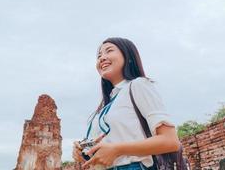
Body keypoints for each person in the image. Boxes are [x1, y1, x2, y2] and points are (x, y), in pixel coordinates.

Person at [72, 37, 181, 170]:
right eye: (99, 55)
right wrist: (84, 151)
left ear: (128, 56)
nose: (102, 58)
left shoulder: (138, 85)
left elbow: (170, 141)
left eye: (109, 51)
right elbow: (106, 152)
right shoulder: (105, 107)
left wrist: (117, 150)